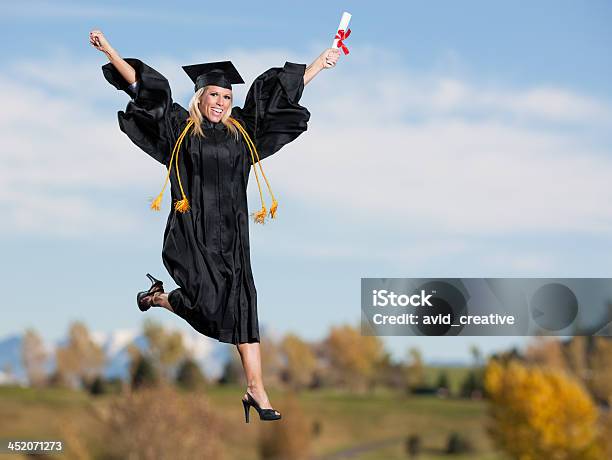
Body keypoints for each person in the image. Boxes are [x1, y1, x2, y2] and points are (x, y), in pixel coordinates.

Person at [90, 29, 340, 422]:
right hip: (193, 233)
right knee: (208, 303)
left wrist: (318, 66)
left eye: (227, 97)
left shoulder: (243, 131)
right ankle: (158, 298)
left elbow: (279, 99)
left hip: (235, 234)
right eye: (214, 95)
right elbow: (143, 90)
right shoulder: (179, 128)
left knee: (243, 304)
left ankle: (257, 389)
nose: (221, 102)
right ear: (200, 97)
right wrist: (110, 52)